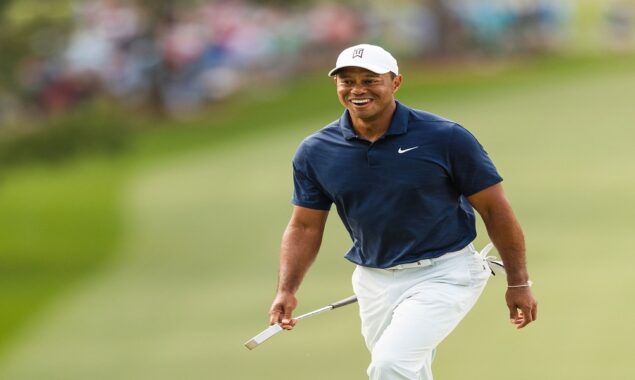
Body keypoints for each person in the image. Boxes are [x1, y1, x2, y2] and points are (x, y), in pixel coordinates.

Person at [268, 44, 537, 380]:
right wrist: (287, 289)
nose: (357, 90)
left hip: (445, 273)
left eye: (370, 80)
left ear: (395, 82)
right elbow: (304, 227)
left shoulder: (445, 137)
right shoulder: (316, 150)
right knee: (408, 370)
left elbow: (495, 210)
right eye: (347, 81)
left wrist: (518, 282)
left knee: (390, 365)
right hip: (373, 280)